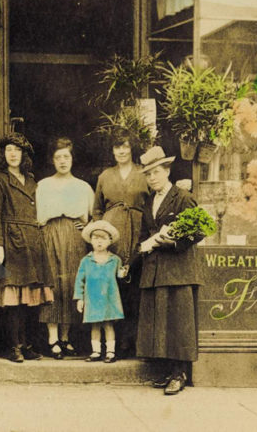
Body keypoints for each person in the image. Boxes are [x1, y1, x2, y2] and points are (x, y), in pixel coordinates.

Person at [135, 145, 202, 395]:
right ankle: (166, 371)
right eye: (148, 174)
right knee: (160, 322)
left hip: (178, 269)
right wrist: (143, 246)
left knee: (178, 323)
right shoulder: (149, 201)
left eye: (156, 172)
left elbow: (201, 229)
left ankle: (179, 373)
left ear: (167, 170)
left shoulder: (183, 197)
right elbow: (144, 233)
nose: (152, 177)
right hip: (155, 269)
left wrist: (174, 243)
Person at [0, 132, 52, 363]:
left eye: (17, 150)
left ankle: (27, 345)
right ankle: (13, 347)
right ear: (3, 154)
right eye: (9, 150)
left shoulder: (32, 181)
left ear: (24, 155)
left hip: (32, 242)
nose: (13, 154)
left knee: (30, 297)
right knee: (12, 298)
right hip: (11, 241)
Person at [91, 130, 149, 357]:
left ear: (132, 148)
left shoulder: (143, 173)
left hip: (138, 233)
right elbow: (96, 210)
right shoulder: (105, 176)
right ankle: (115, 344)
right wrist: (99, 235)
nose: (121, 151)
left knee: (135, 287)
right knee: (113, 287)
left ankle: (133, 341)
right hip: (112, 235)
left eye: (125, 146)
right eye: (117, 147)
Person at [35, 138, 94, 359]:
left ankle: (66, 337)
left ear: (72, 158)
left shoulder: (83, 186)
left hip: (74, 236)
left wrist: (84, 227)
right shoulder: (42, 185)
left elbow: (91, 215)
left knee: (71, 283)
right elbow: (37, 216)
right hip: (49, 234)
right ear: (52, 160)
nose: (62, 161)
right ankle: (52, 339)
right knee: (52, 283)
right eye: (58, 157)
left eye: (66, 156)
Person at [74, 219, 125, 363]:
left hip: (109, 298)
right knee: (95, 325)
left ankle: (110, 352)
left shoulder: (115, 260)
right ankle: (96, 352)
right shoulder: (86, 260)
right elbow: (80, 280)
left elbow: (120, 277)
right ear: (90, 241)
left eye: (103, 239)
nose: (99, 242)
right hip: (93, 298)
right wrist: (80, 298)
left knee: (108, 325)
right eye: (95, 238)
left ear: (110, 241)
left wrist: (124, 273)